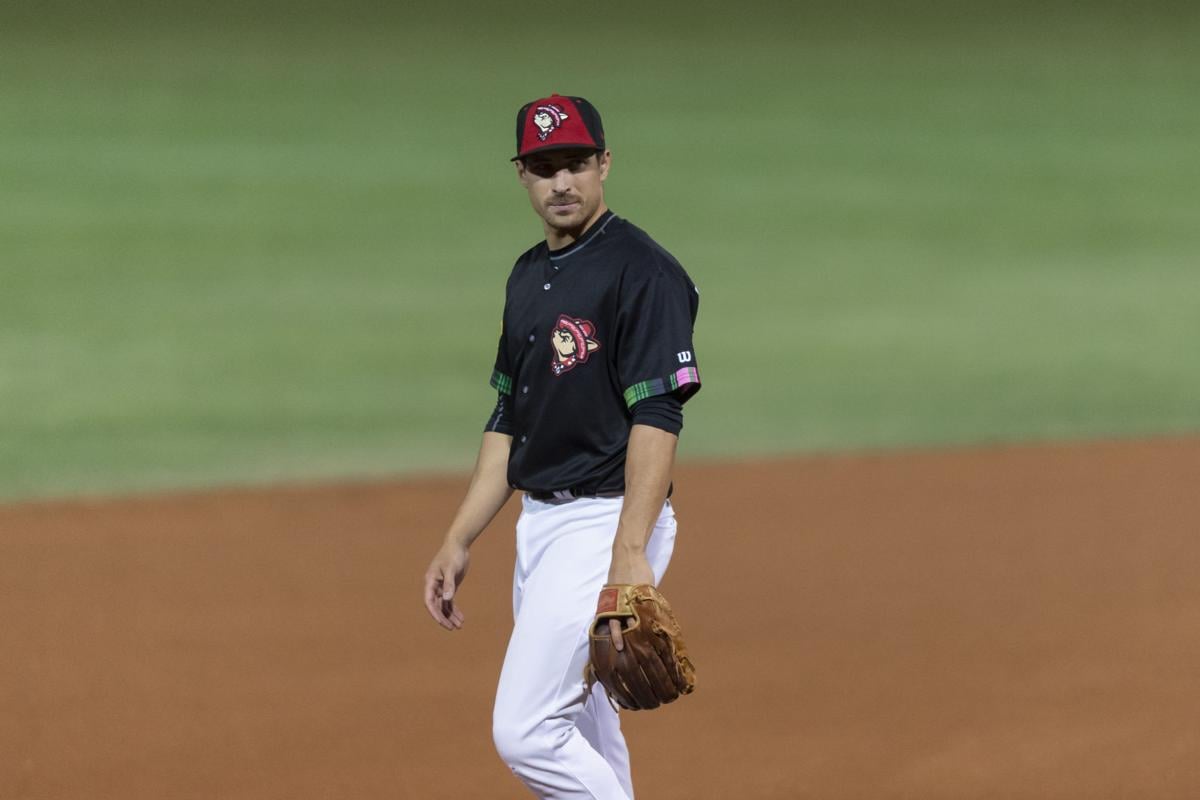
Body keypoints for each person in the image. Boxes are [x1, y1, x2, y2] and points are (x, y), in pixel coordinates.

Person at [422, 93, 702, 800]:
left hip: (604, 524)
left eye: (575, 163)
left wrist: (629, 552)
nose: (562, 183)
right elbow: (507, 420)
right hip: (541, 528)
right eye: (544, 168)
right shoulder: (526, 278)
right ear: (522, 174)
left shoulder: (643, 272)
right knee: (582, 733)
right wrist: (459, 539)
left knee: (525, 729)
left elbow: (658, 413)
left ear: (604, 163)